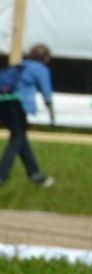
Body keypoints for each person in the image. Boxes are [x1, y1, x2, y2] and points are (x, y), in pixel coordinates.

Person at [0, 44, 54, 188]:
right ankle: (1, 175)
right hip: (18, 105)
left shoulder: (20, 65)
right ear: (45, 58)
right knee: (17, 140)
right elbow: (46, 91)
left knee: (21, 139)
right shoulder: (40, 69)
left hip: (4, 104)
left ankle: (36, 175)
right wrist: (51, 112)